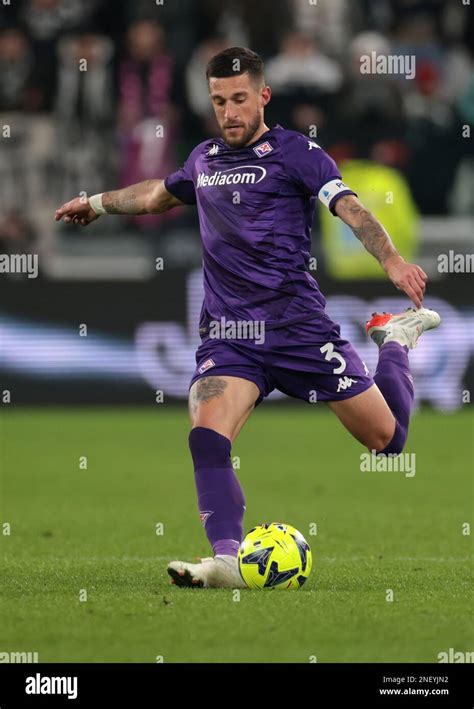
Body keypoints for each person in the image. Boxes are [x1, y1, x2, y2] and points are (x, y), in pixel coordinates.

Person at [55, 47, 440, 589]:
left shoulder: (297, 154)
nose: (229, 112)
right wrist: (96, 202)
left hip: (300, 330)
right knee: (207, 434)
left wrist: (393, 261)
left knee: (387, 441)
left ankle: (394, 340)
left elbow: (351, 207)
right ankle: (228, 560)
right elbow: (154, 197)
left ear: (262, 96)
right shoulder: (203, 158)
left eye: (239, 99)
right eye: (218, 101)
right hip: (231, 336)